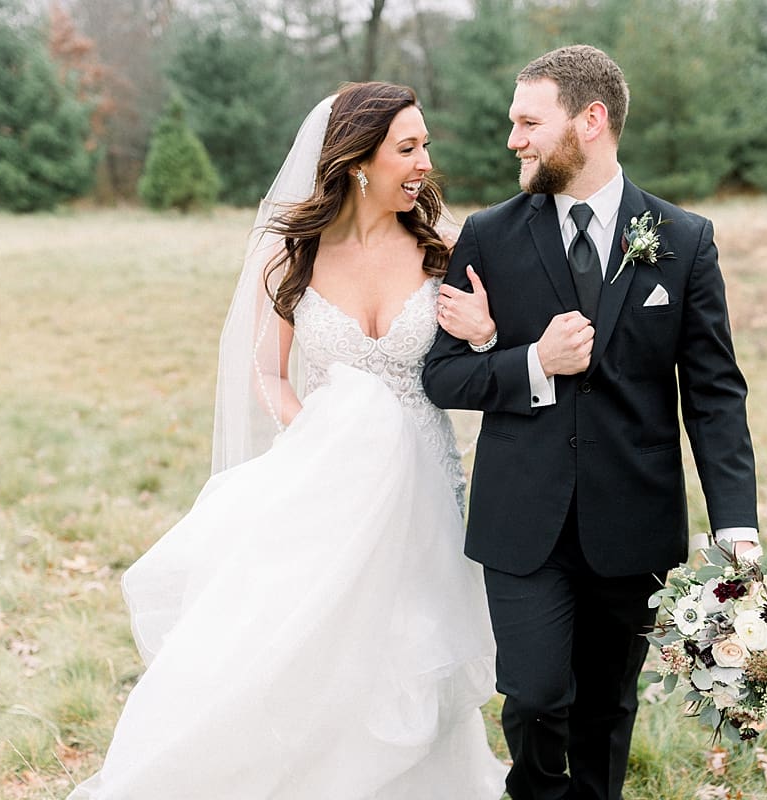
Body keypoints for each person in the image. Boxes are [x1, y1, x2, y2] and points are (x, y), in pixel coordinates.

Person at [68, 82, 507, 799]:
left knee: (414, 648)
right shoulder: (292, 254)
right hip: (330, 480)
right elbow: (268, 376)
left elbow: (476, 367)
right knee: (319, 644)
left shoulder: (447, 248)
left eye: (425, 143)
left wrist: (486, 333)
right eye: (409, 147)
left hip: (427, 483)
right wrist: (322, 444)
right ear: (359, 160)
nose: (427, 160)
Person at [422, 45, 760, 800]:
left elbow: (712, 394)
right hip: (522, 520)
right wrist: (532, 362)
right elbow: (441, 374)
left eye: (528, 122)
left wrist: (736, 524)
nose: (513, 139)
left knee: (608, 708)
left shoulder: (684, 240)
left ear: (591, 120)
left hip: (633, 521)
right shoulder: (489, 235)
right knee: (538, 695)